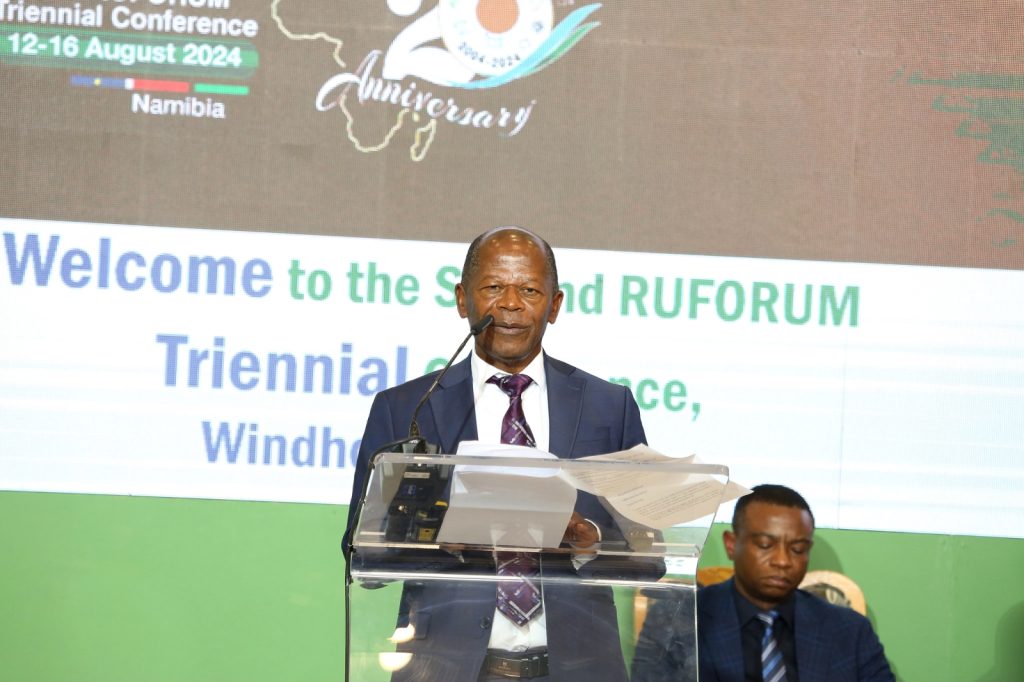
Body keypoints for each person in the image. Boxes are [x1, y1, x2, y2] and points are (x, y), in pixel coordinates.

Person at [345, 226, 659, 681]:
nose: (510, 303)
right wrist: (439, 537)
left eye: (529, 290)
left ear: (554, 305)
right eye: (493, 287)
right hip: (446, 669)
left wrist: (587, 537)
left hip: (579, 668)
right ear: (462, 300)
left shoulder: (609, 406)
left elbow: (649, 556)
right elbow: (362, 554)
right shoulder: (407, 408)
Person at [632, 484, 895, 682]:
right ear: (732, 544)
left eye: (798, 548)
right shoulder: (679, 619)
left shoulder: (849, 631)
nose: (783, 560)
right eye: (766, 545)